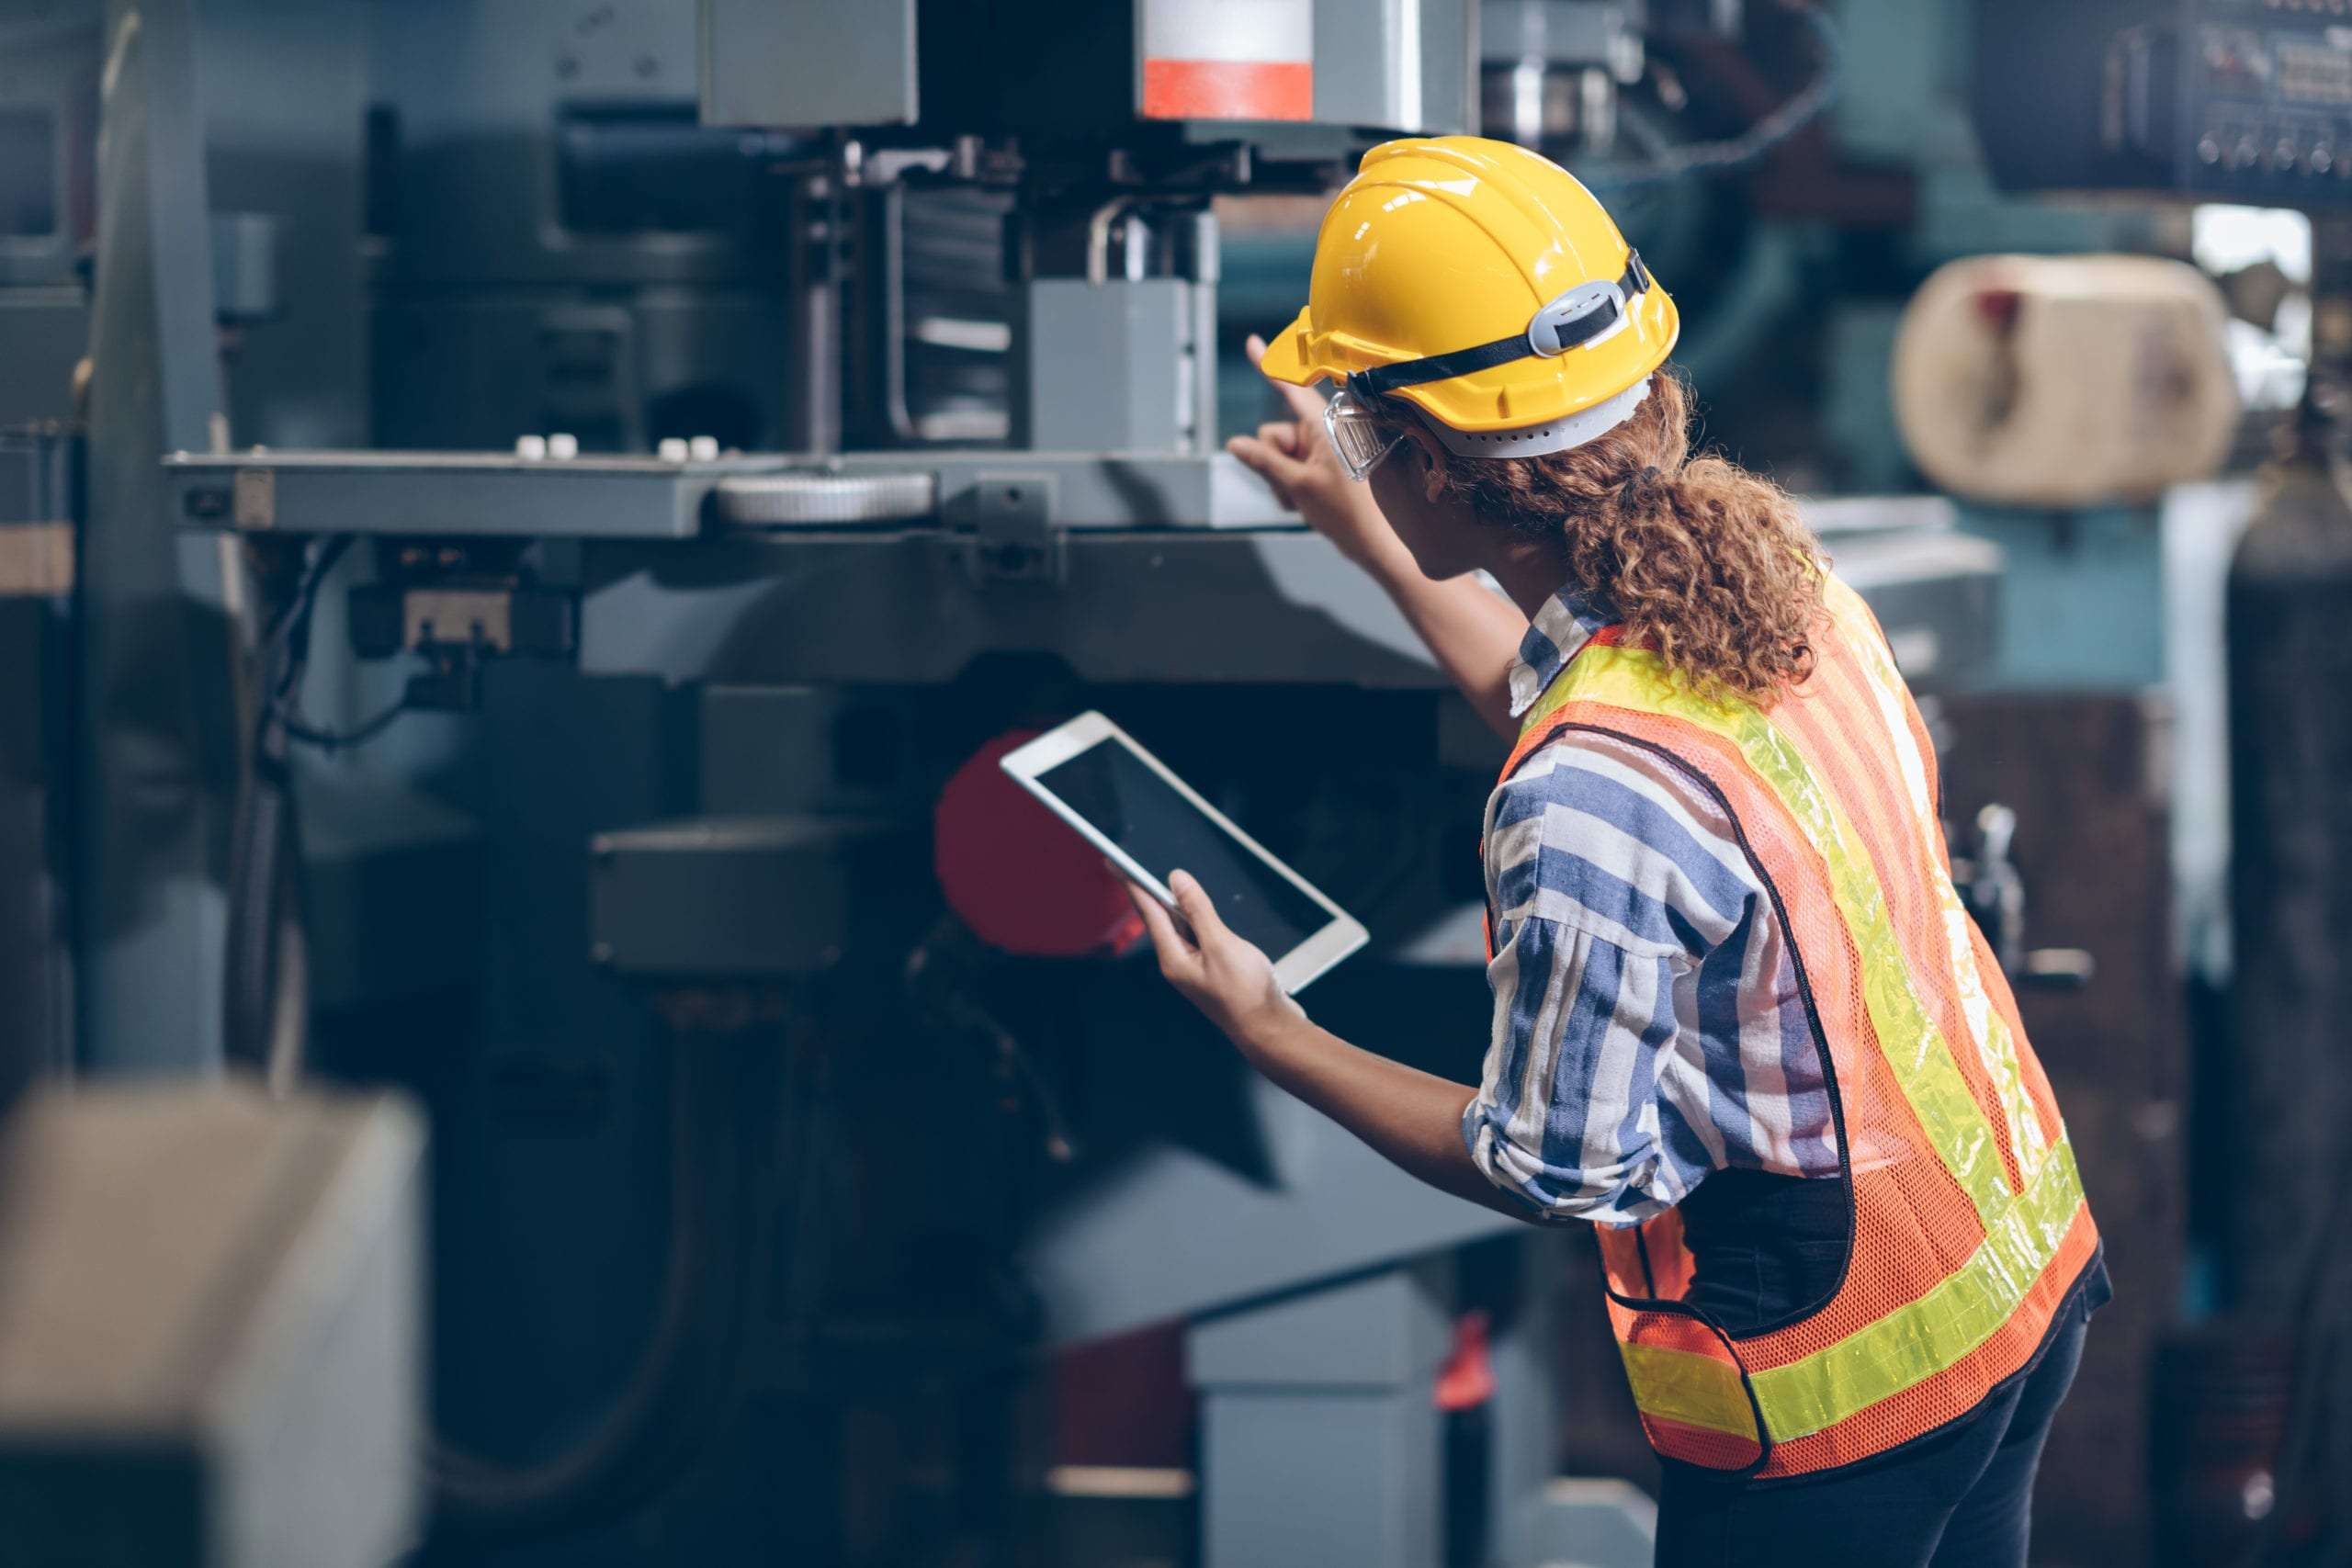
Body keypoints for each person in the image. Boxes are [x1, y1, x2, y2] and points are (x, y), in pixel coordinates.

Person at [1122, 136, 2110, 1568]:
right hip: (2013, 1273)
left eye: (1358, 433)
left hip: (1841, 1397)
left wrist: (1273, 1033)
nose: (1347, 451)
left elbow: (1550, 1162)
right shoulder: (1782, 579)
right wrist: (1361, 526)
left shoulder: (1584, 795)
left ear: (1446, 477)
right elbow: (1578, 713)